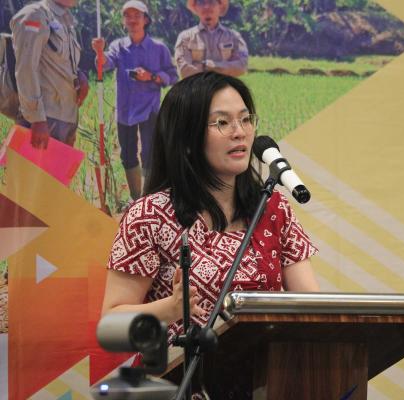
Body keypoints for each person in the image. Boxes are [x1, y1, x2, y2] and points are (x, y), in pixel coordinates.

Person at [103, 71, 319, 354]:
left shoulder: (272, 208)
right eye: (222, 122)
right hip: (185, 372)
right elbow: (111, 327)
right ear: (187, 139)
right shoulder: (150, 215)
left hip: (269, 371)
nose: (240, 132)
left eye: (245, 119)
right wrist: (170, 309)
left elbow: (312, 308)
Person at [92, 0, 178, 200]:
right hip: (125, 110)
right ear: (123, 21)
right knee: (127, 154)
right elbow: (104, 64)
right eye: (127, 16)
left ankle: (150, 197)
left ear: (145, 20)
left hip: (150, 109)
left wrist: (152, 77)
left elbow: (173, 75)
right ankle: (136, 198)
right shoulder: (118, 46)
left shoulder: (159, 48)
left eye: (137, 16)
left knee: (149, 153)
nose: (132, 20)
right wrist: (99, 52)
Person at [10, 0, 89, 149]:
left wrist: (79, 75)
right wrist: (37, 119)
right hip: (44, 121)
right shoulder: (35, 15)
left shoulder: (66, 19)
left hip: (66, 118)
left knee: (59, 166)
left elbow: (57, 61)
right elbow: (26, 68)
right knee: (29, 166)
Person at [175, 0, 248, 78]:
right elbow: (184, 70)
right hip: (197, 86)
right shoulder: (185, 37)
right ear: (195, 7)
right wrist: (210, 67)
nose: (206, 6)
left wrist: (212, 66)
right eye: (201, 2)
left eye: (211, 1)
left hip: (224, 85)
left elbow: (242, 66)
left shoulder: (234, 37)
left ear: (220, 6)